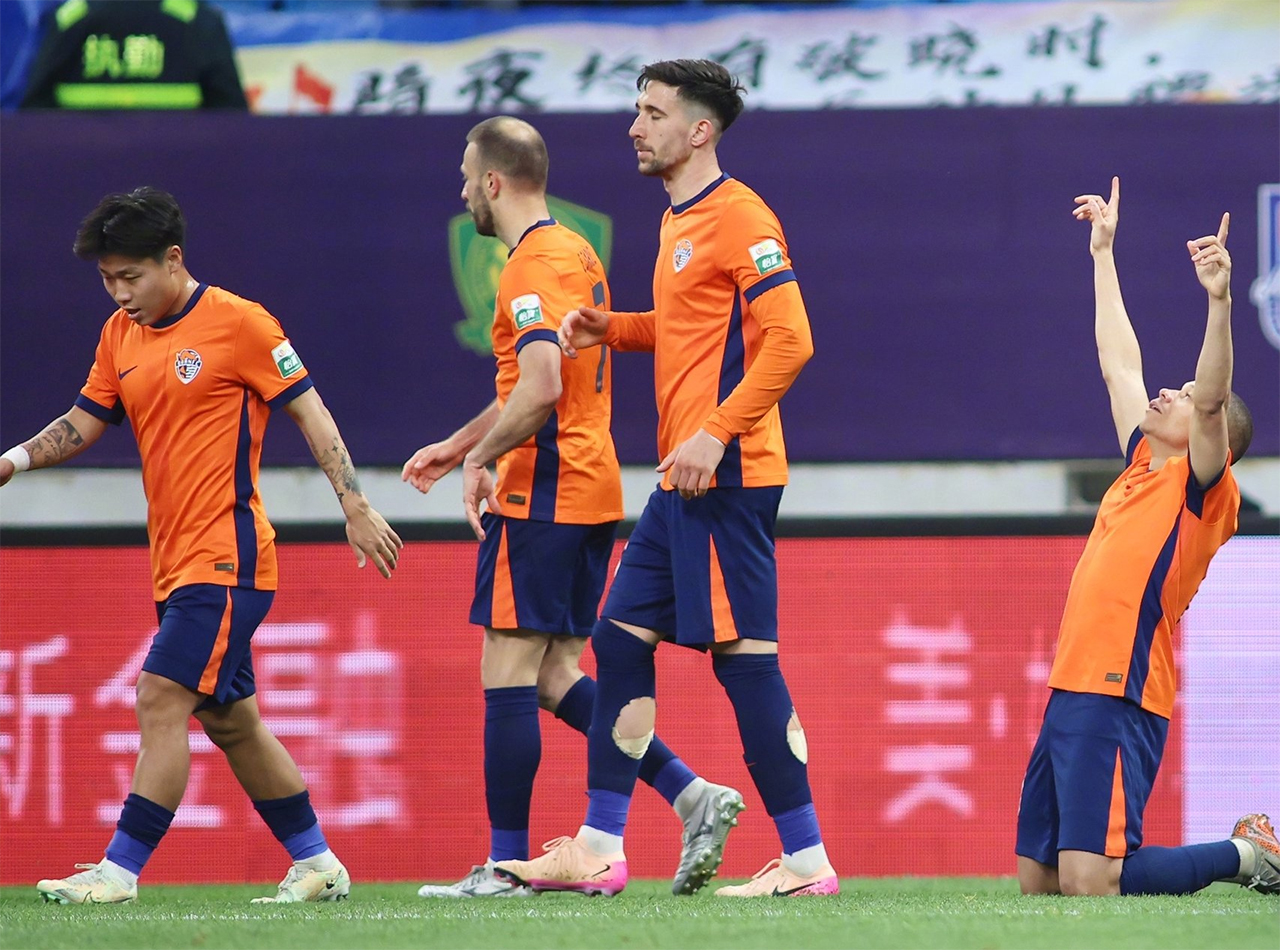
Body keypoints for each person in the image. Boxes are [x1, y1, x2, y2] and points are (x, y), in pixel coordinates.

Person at [0, 186, 403, 904]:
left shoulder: (240, 323)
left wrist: (354, 503)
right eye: (107, 279)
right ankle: (317, 862)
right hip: (174, 562)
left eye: (131, 276)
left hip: (228, 558)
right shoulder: (119, 336)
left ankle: (118, 872)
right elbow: (84, 420)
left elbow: (310, 411)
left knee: (159, 696)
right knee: (231, 721)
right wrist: (15, 460)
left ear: (173, 259)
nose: (120, 293)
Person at [493, 60, 836, 899]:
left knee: (745, 661)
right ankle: (600, 846)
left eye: (652, 113)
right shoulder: (680, 218)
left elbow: (792, 340)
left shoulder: (739, 215)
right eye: (637, 110)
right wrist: (613, 329)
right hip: (685, 479)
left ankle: (806, 860)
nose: (635, 127)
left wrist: (716, 434)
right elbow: (689, 330)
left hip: (725, 475)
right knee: (616, 642)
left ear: (699, 129)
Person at [402, 116, 744, 899]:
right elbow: (531, 383)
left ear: (493, 181)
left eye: (467, 176)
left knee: (507, 667)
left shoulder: (528, 267)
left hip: (543, 488)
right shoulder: (575, 251)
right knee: (555, 675)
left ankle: (504, 866)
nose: (463, 191)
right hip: (589, 486)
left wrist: (484, 460)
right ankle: (691, 793)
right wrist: (462, 445)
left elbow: (542, 386)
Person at [1015, 177, 1277, 897]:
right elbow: (1118, 364)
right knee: (1040, 882)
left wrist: (1219, 302)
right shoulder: (1141, 462)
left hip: (1120, 687)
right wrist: (1103, 254)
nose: (1168, 392)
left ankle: (1245, 854)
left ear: (1209, 435)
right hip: (1071, 684)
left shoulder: (1203, 489)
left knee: (1093, 882)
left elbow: (1213, 399)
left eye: (1182, 396)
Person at [21, 0, 247, 110]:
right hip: (180, 174)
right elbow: (232, 120)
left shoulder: (70, 19)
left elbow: (33, 115)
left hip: (82, 171)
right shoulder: (196, 20)